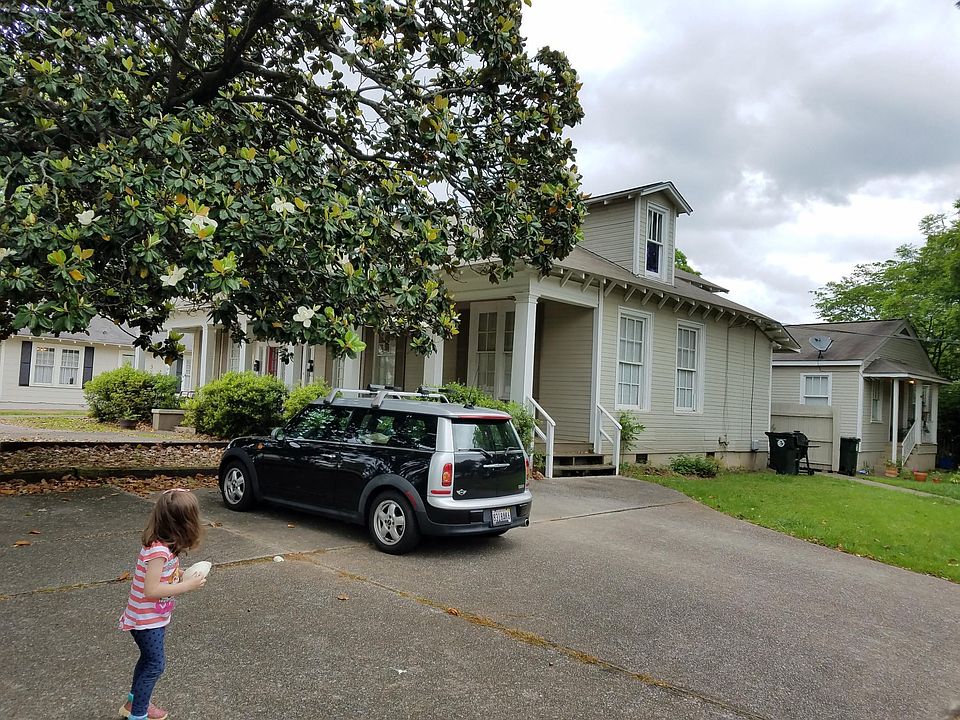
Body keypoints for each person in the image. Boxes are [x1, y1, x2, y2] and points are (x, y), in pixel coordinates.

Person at [118, 489, 207, 720]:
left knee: (148, 661)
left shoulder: (167, 545)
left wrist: (182, 573)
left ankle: (134, 703)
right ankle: (138, 715)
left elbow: (163, 576)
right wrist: (187, 586)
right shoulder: (158, 551)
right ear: (184, 523)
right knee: (156, 665)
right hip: (144, 620)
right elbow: (152, 589)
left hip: (153, 618)